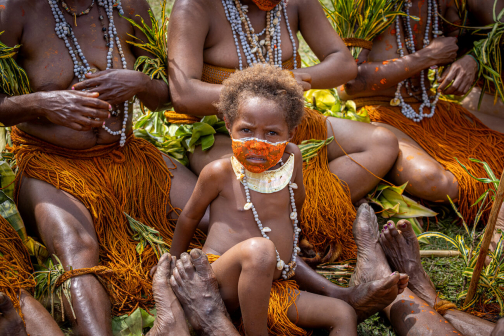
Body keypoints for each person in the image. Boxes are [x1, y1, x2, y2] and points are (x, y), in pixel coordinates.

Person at [0, 0, 207, 334]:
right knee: (77, 246)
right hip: (49, 164)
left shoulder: (130, 7)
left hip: (127, 156)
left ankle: (213, 305)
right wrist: (43, 103)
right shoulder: (17, 11)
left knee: (212, 213)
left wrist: (139, 82)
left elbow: (163, 97)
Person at [170, 64, 398, 335]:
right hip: (223, 284)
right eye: (246, 130)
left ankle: (338, 298)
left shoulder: (292, 158)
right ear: (229, 125)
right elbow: (190, 216)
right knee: (260, 250)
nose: (258, 142)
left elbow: (295, 201)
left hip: (276, 283)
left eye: (272, 133)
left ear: (290, 133)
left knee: (343, 314)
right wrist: (174, 260)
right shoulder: (219, 172)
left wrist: (297, 239)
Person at [167, 0, 400, 263]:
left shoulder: (295, 3)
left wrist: (297, 78)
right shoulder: (195, 7)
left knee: (382, 143)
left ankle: (310, 211)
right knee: (249, 174)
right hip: (226, 132)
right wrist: (264, 89)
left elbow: (344, 64)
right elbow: (184, 94)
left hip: (286, 125)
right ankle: (298, 218)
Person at [341, 0, 504, 231]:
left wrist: (473, 59)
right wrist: (427, 57)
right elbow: (350, 84)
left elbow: (487, 32)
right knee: (435, 182)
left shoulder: (444, 4)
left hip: (434, 109)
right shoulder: (366, 5)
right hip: (381, 113)